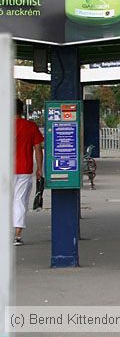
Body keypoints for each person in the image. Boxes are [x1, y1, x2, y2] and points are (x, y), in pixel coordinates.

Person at [14, 98, 44, 246]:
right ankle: (17, 235)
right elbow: (38, 149)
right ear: (21, 109)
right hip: (24, 169)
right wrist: (40, 168)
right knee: (20, 200)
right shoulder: (30, 126)